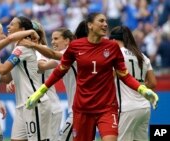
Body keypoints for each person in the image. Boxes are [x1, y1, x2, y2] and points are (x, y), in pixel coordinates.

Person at [26, 12, 159, 141]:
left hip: (107, 108)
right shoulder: (75, 46)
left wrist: (143, 90)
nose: (105, 24)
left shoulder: (112, 47)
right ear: (90, 25)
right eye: (101, 21)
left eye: (106, 21)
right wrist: (41, 91)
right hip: (82, 109)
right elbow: (60, 70)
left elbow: (124, 75)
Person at [0, 16, 61, 141]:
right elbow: (6, 78)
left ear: (22, 29)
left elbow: (3, 69)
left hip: (34, 103)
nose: (8, 27)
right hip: (22, 105)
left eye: (12, 24)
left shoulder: (22, 48)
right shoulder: (17, 48)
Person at [19, 26, 76, 141]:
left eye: (56, 39)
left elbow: (43, 65)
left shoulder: (70, 52)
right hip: (78, 108)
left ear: (67, 41)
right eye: (52, 39)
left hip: (80, 109)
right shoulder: (64, 55)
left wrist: (34, 49)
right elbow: (44, 65)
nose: (53, 41)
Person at [109, 25, 157, 141]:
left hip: (126, 108)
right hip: (144, 107)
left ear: (114, 40)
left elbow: (110, 76)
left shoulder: (116, 54)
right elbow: (153, 83)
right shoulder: (142, 56)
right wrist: (137, 85)